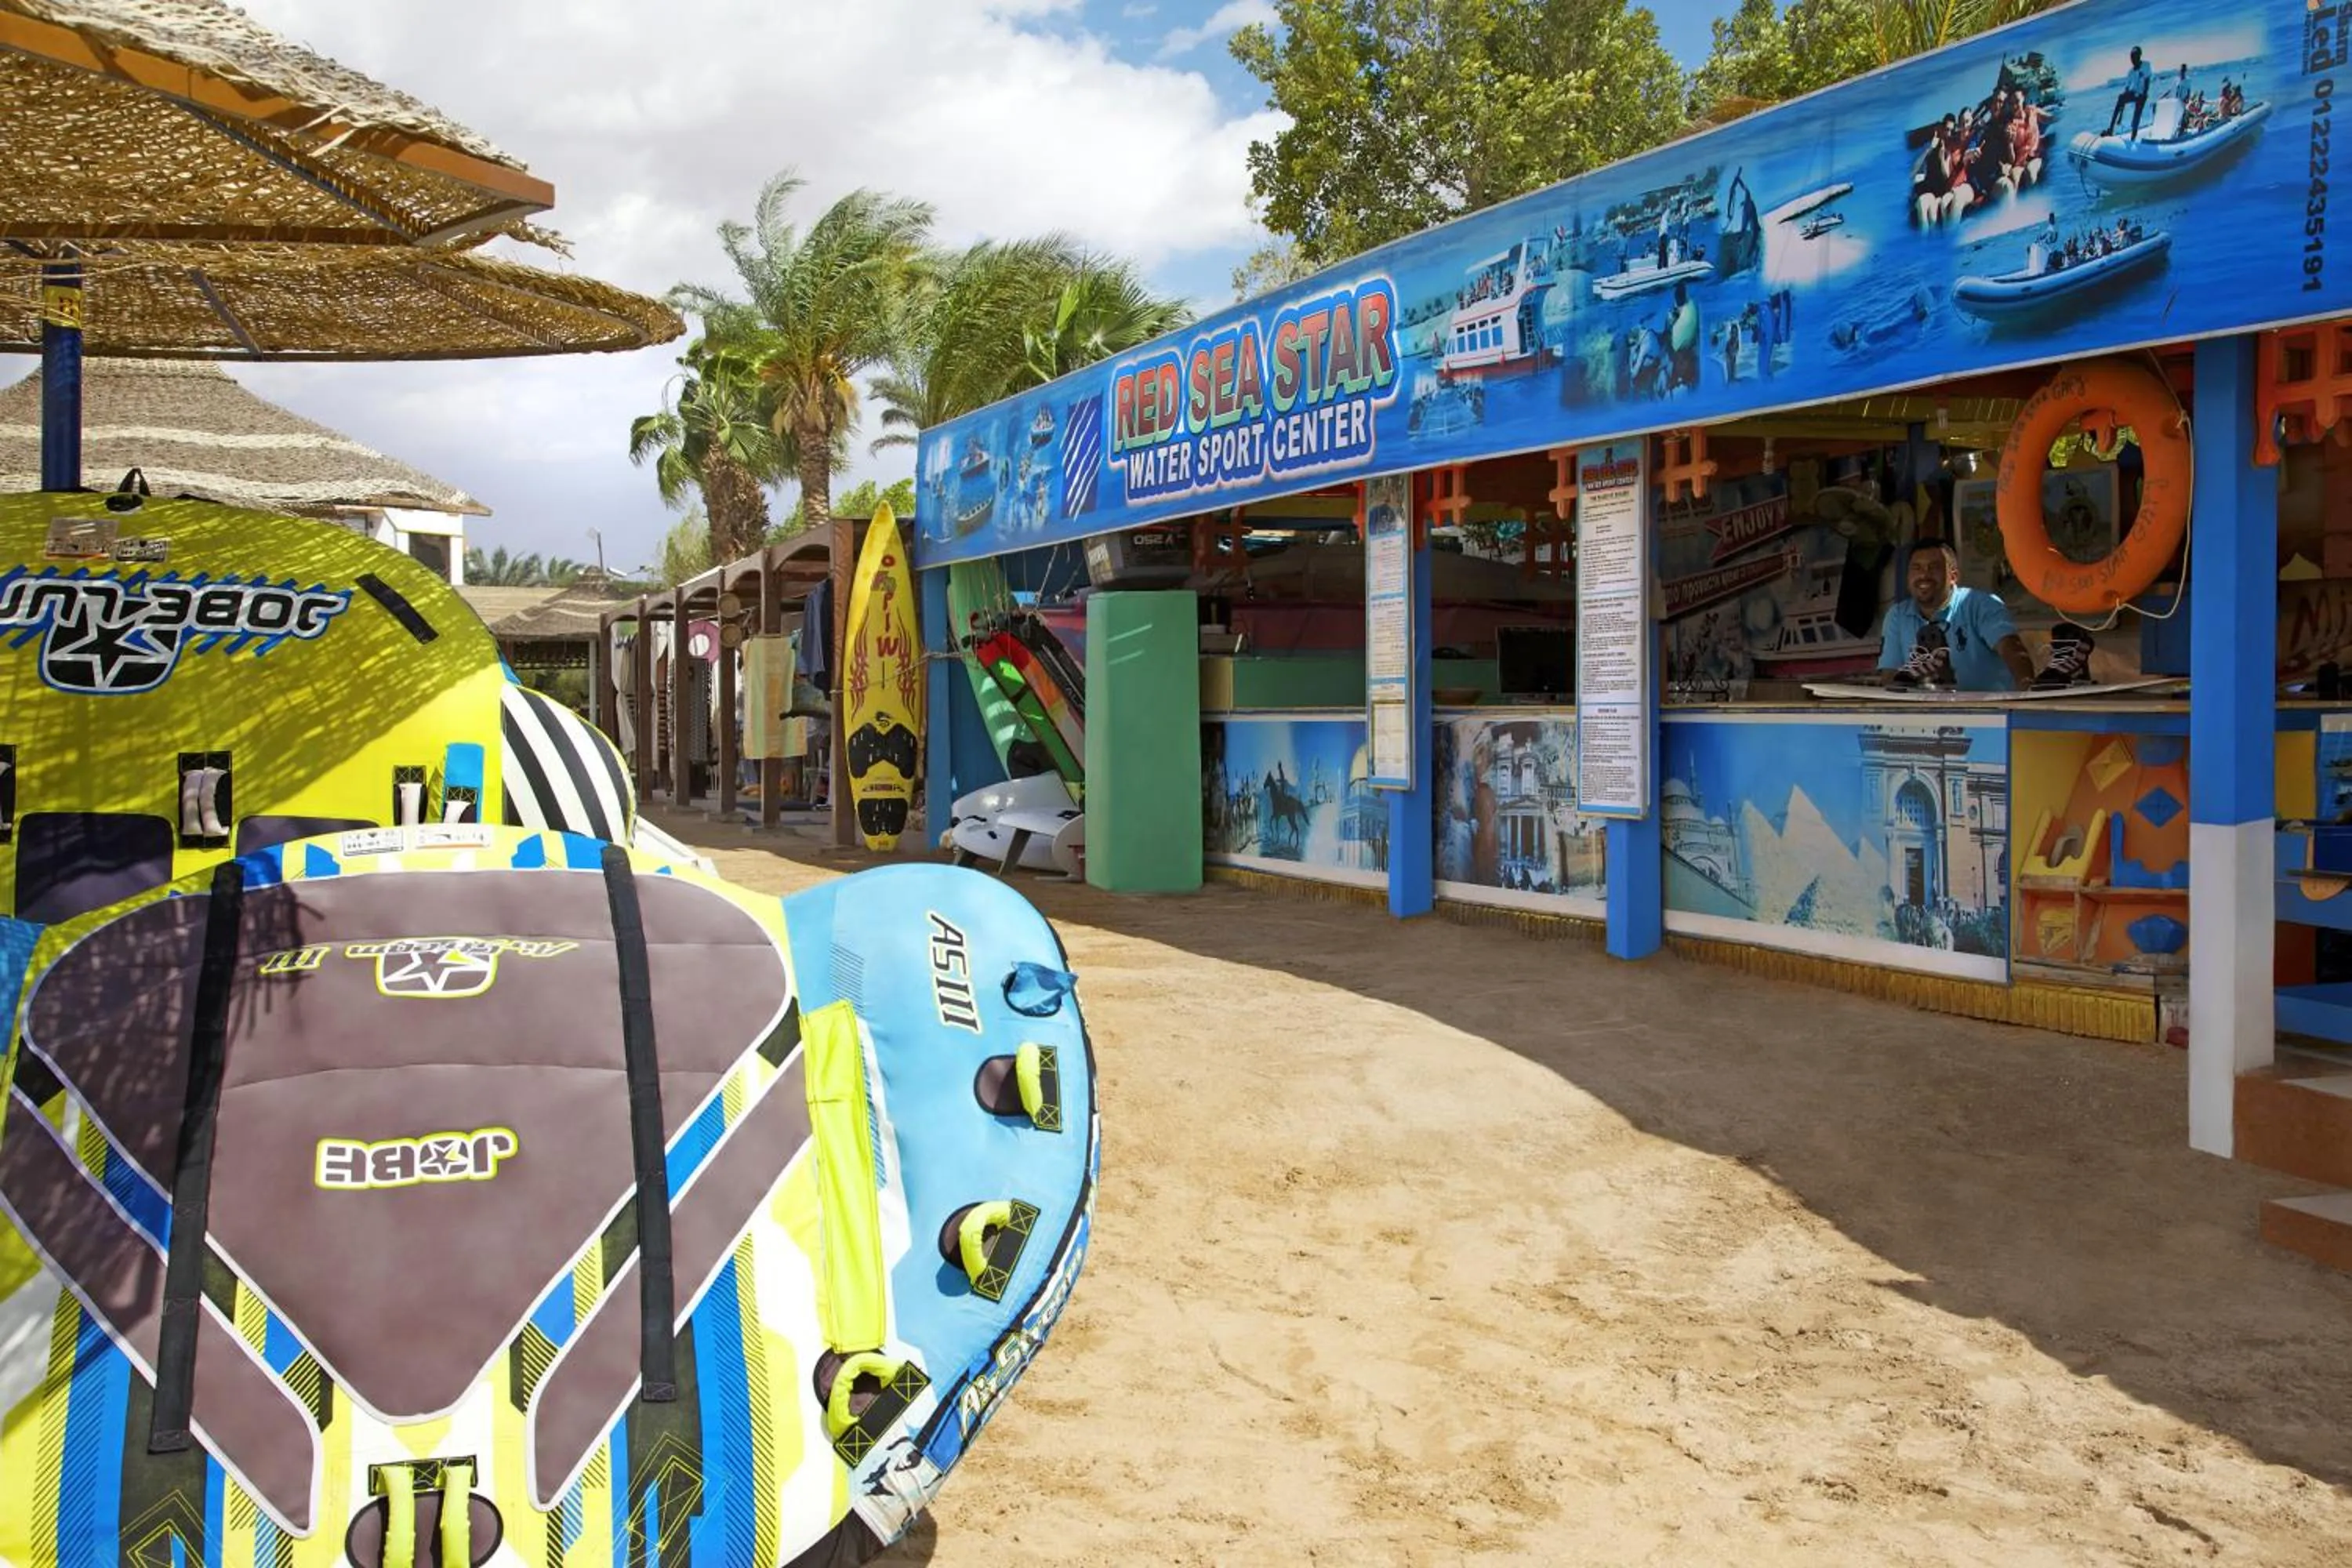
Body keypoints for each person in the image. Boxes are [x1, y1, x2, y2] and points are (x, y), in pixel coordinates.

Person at [1878, 540, 2041, 690]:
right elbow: (1890, 677)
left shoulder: (1981, 604)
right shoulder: (1897, 615)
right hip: (1926, 715)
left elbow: (2011, 649)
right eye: (1916, 568)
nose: (1924, 575)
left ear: (1953, 576)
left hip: (1988, 713)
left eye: (1934, 567)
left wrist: (2026, 694)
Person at [2106, 45, 2152, 139]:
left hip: (2141, 95)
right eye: (2131, 57)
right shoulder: (2131, 72)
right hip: (2133, 93)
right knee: (2121, 97)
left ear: (2139, 56)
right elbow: (2127, 88)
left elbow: (2147, 80)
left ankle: (2133, 137)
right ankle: (2111, 129)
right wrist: (2121, 111)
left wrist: (2144, 94)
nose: (2133, 60)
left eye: (2134, 57)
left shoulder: (2146, 65)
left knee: (2137, 114)